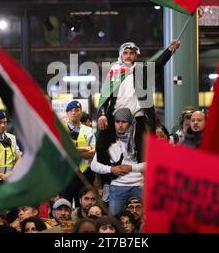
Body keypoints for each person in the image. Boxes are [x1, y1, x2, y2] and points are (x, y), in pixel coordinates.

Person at [96, 40, 180, 187]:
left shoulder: (141, 70)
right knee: (102, 147)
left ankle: (147, 184)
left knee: (145, 150)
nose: (128, 56)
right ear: (121, 56)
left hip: (138, 118)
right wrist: (102, 114)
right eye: (126, 53)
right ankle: (107, 184)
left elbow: (159, 64)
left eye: (131, 53)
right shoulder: (113, 73)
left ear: (136, 56)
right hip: (115, 118)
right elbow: (104, 96)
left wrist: (170, 50)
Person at [91, 108, 145, 216]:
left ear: (130, 123)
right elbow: (94, 165)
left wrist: (132, 168)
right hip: (117, 186)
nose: (120, 125)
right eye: (117, 121)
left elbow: (152, 164)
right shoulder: (108, 141)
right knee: (115, 223)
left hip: (139, 185)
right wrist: (111, 169)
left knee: (144, 222)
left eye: (124, 122)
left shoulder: (139, 140)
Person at [61, 101, 96, 207]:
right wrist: (85, 148)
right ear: (67, 113)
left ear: (81, 113)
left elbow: (93, 152)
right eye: (71, 111)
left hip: (85, 173)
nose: (74, 113)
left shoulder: (89, 131)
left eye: (77, 110)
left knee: (83, 205)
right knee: (65, 205)